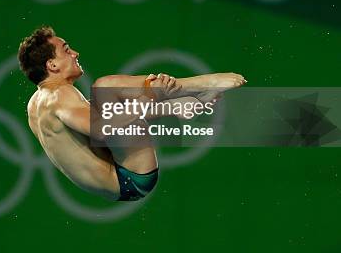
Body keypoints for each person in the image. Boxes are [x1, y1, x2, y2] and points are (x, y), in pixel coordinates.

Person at [17, 26, 246, 201]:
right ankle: (200, 84)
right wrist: (152, 99)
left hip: (119, 182)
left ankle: (187, 98)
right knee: (106, 87)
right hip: (130, 177)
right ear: (52, 65)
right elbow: (102, 129)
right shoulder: (60, 96)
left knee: (107, 95)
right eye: (66, 50)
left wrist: (171, 108)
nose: (75, 53)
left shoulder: (36, 103)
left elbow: (102, 124)